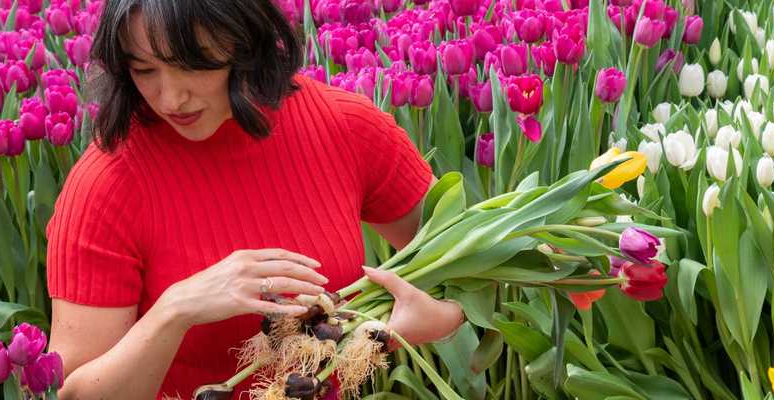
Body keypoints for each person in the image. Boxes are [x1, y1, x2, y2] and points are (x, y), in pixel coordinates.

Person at [44, 0, 465, 398]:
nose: (171, 98)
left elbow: (473, 261)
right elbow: (73, 393)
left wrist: (434, 322)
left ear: (245, 39)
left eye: (193, 65)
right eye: (144, 70)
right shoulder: (107, 186)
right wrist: (174, 311)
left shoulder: (345, 129)